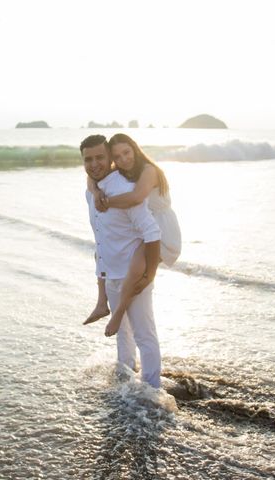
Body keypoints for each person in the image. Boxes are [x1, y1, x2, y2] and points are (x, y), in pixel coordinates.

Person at [81, 134, 162, 388]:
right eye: (88, 159)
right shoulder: (91, 191)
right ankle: (125, 382)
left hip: (133, 274)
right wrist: (102, 278)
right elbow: (100, 238)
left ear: (110, 159)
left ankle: (151, 390)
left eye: (100, 158)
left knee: (144, 334)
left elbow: (152, 232)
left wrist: (149, 274)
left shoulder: (124, 189)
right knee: (122, 334)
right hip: (111, 274)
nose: (94, 164)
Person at [84, 133, 181, 337]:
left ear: (135, 149)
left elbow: (136, 198)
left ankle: (118, 314)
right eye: (117, 157)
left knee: (136, 268)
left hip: (163, 231)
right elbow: (90, 179)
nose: (123, 159)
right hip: (146, 226)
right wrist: (96, 193)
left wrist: (105, 202)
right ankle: (102, 302)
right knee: (99, 253)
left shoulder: (148, 170)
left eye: (127, 152)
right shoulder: (124, 172)